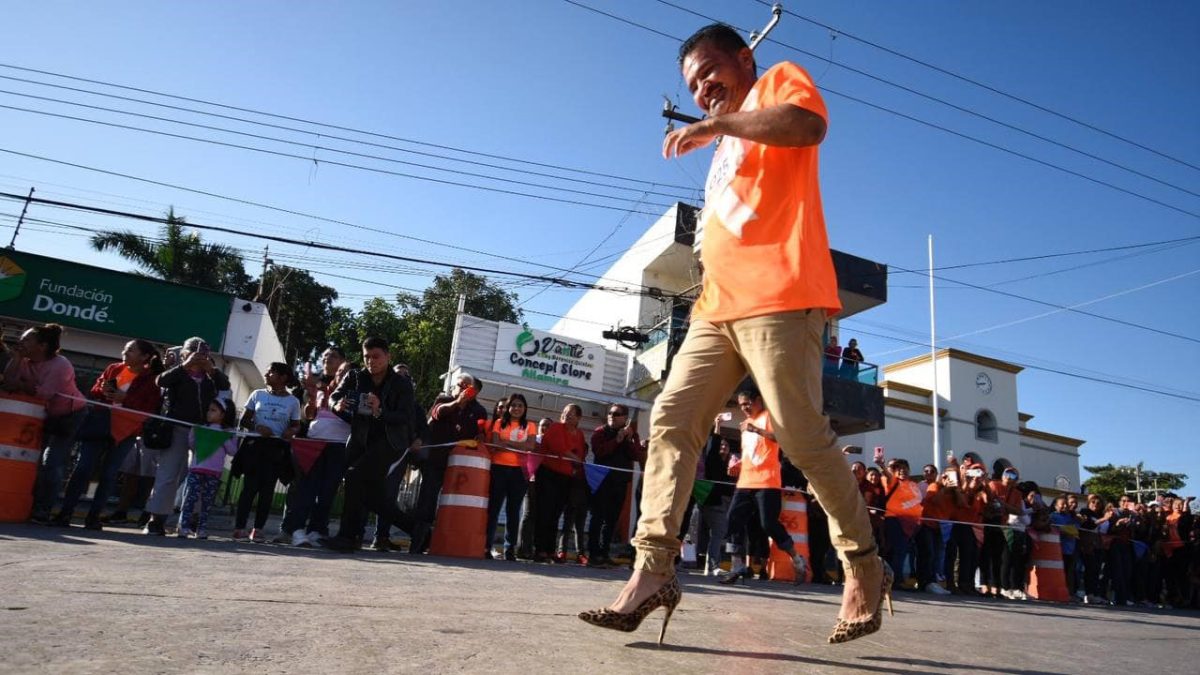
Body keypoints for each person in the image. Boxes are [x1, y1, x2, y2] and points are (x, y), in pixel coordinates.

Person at [581, 23, 887, 646]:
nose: (702, 92)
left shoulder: (776, 84)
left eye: (710, 73)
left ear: (744, 59)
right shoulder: (725, 146)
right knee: (671, 416)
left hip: (782, 294)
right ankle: (654, 569)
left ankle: (863, 565)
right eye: (693, 86)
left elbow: (808, 126)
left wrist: (718, 125)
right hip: (715, 309)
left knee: (801, 435)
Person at [321, 337, 417, 552]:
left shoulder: (401, 383)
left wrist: (380, 411)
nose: (371, 361)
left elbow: (405, 417)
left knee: (354, 477)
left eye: (376, 357)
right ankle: (418, 530)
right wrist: (337, 404)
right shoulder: (355, 376)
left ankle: (346, 537)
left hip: (390, 442)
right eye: (367, 357)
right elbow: (334, 395)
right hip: (360, 440)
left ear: (387, 356)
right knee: (371, 496)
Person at [56, 339, 164, 530]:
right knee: (83, 468)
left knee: (109, 474)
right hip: (100, 423)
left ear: (145, 356)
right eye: (125, 349)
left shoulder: (151, 378)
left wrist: (126, 399)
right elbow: (96, 388)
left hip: (126, 431)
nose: (125, 352)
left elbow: (150, 407)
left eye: (130, 350)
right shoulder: (114, 368)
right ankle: (65, 513)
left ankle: (94, 516)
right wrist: (102, 390)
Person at [718, 387, 809, 586]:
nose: (744, 409)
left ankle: (797, 559)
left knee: (768, 524)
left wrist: (757, 429)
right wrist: (738, 464)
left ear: (758, 400)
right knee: (733, 518)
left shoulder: (768, 416)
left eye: (747, 404)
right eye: (741, 405)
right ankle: (737, 564)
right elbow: (753, 452)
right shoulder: (744, 425)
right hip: (745, 481)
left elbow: (782, 439)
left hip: (767, 482)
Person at [3, 323, 88, 524]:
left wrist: (21, 385)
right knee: (31, 460)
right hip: (36, 415)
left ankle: (44, 509)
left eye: (27, 339)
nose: (21, 342)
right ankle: (29, 502)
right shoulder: (23, 361)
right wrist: (15, 360)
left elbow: (45, 393)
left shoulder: (61, 365)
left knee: (51, 462)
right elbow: (8, 382)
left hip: (68, 415)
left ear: (42, 346)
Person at [148, 337, 229, 535]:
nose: (198, 357)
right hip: (176, 428)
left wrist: (211, 369)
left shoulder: (212, 375)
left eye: (202, 354)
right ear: (182, 353)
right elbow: (161, 381)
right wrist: (185, 365)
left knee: (202, 476)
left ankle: (191, 519)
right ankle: (156, 519)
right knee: (168, 474)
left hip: (202, 432)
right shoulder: (177, 372)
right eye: (193, 352)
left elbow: (225, 386)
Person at [281, 348, 351, 547]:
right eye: (325, 356)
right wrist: (312, 396)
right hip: (313, 443)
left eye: (345, 372)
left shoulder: (354, 391)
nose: (341, 375)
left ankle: (317, 530)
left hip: (339, 445)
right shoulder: (318, 387)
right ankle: (296, 530)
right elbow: (308, 415)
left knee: (328, 491)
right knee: (307, 489)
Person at [411, 373, 488, 554]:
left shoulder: (479, 411)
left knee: (453, 504)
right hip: (435, 460)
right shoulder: (443, 399)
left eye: (467, 386)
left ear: (474, 391)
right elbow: (437, 414)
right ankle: (418, 542)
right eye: (459, 385)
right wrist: (457, 403)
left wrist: (482, 436)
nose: (462, 389)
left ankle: (446, 541)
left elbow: (480, 432)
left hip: (459, 465)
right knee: (427, 501)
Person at [233, 362, 302, 541]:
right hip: (255, 446)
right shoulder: (257, 394)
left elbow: (296, 425)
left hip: (276, 449)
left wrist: (291, 431)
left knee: (267, 490)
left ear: (283, 377)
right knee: (249, 488)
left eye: (271, 372)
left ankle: (258, 529)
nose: (266, 374)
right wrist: (257, 426)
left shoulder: (293, 401)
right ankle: (240, 527)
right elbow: (244, 421)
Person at [587, 404, 641, 568]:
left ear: (625, 418)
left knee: (612, 520)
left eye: (616, 414)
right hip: (602, 481)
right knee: (597, 517)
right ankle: (593, 554)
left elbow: (637, 455)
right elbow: (599, 451)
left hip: (620, 482)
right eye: (610, 413)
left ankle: (604, 553)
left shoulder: (630, 434)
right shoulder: (600, 432)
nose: (611, 416)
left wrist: (630, 439)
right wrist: (617, 440)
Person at [177, 399, 238, 539]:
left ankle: (201, 529)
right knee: (189, 499)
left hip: (214, 473)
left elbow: (233, 451)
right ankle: (183, 526)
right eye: (208, 410)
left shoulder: (228, 432)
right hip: (196, 470)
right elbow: (192, 444)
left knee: (207, 502)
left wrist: (223, 438)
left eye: (213, 410)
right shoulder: (200, 428)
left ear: (223, 414)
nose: (209, 413)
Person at [486, 393, 537, 560]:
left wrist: (506, 443)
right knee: (493, 509)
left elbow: (530, 446)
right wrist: (516, 446)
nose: (516, 408)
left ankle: (509, 549)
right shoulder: (499, 423)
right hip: (498, 468)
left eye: (520, 405)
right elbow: (495, 444)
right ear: (508, 408)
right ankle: (486, 546)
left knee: (513, 511)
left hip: (519, 472)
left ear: (525, 409)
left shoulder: (530, 425)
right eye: (513, 405)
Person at [535, 404, 587, 563]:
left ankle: (550, 550)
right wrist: (576, 458)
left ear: (579, 418)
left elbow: (581, 452)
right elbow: (559, 448)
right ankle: (540, 549)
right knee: (545, 512)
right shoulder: (556, 427)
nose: (566, 416)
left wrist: (578, 464)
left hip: (566, 478)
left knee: (556, 514)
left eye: (571, 414)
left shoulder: (579, 434)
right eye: (565, 412)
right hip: (548, 474)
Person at [875, 452, 922, 589]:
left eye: (904, 467)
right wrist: (881, 464)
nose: (902, 470)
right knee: (896, 551)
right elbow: (887, 473)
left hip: (911, 524)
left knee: (901, 552)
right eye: (898, 468)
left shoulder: (913, 484)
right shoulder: (893, 481)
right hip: (895, 521)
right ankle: (895, 580)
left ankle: (894, 579)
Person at [695, 424, 736, 575]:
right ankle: (713, 565)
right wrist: (717, 426)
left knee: (715, 533)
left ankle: (709, 566)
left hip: (723, 501)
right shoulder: (713, 459)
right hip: (713, 500)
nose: (724, 447)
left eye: (726, 446)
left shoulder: (731, 463)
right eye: (721, 445)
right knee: (718, 532)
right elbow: (714, 443)